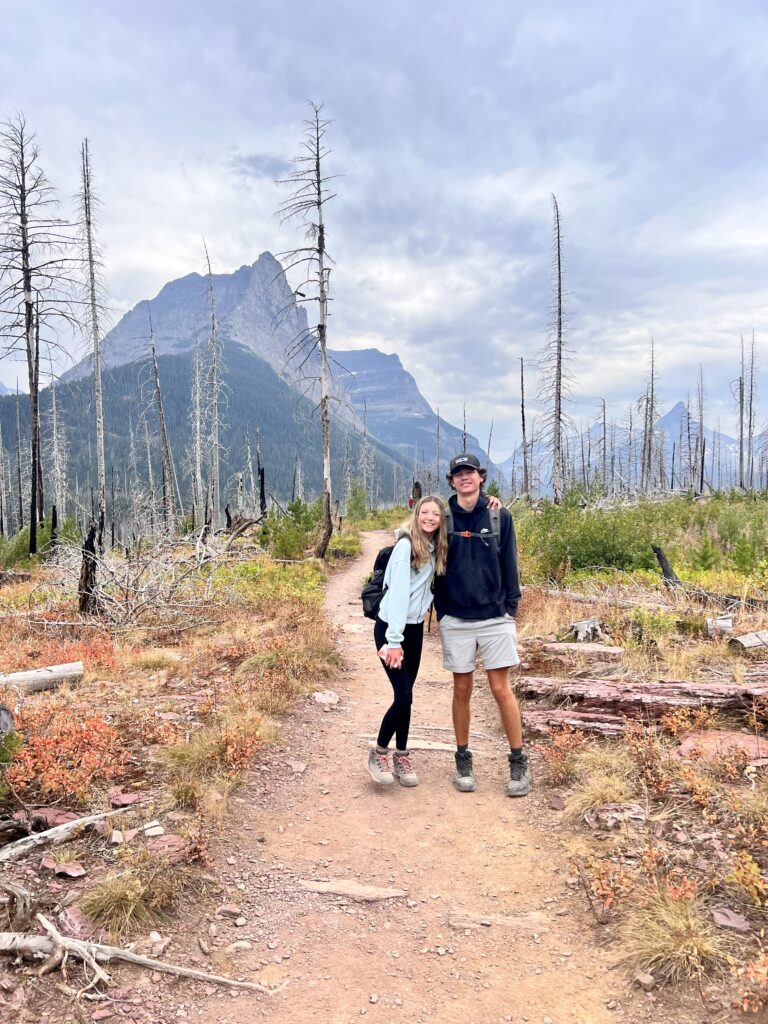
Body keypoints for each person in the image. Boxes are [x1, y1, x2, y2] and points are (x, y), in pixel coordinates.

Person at [433, 453, 531, 797]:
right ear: (452, 480)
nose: (464, 478)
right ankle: (463, 759)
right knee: (461, 689)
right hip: (456, 619)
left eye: (470, 473)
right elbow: (420, 548)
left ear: (480, 477)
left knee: (500, 689)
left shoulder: (498, 515)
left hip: (495, 617)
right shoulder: (442, 518)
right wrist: (442, 610)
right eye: (458, 473)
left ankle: (518, 762)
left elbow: (510, 562)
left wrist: (510, 608)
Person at [368, 496, 448, 787]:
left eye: (435, 514)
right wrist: (393, 641)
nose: (429, 518)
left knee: (407, 695)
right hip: (392, 629)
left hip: (413, 631)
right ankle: (379, 753)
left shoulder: (434, 547)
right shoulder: (405, 548)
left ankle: (402, 754)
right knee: (403, 695)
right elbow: (399, 596)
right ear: (416, 516)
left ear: (441, 520)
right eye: (424, 512)